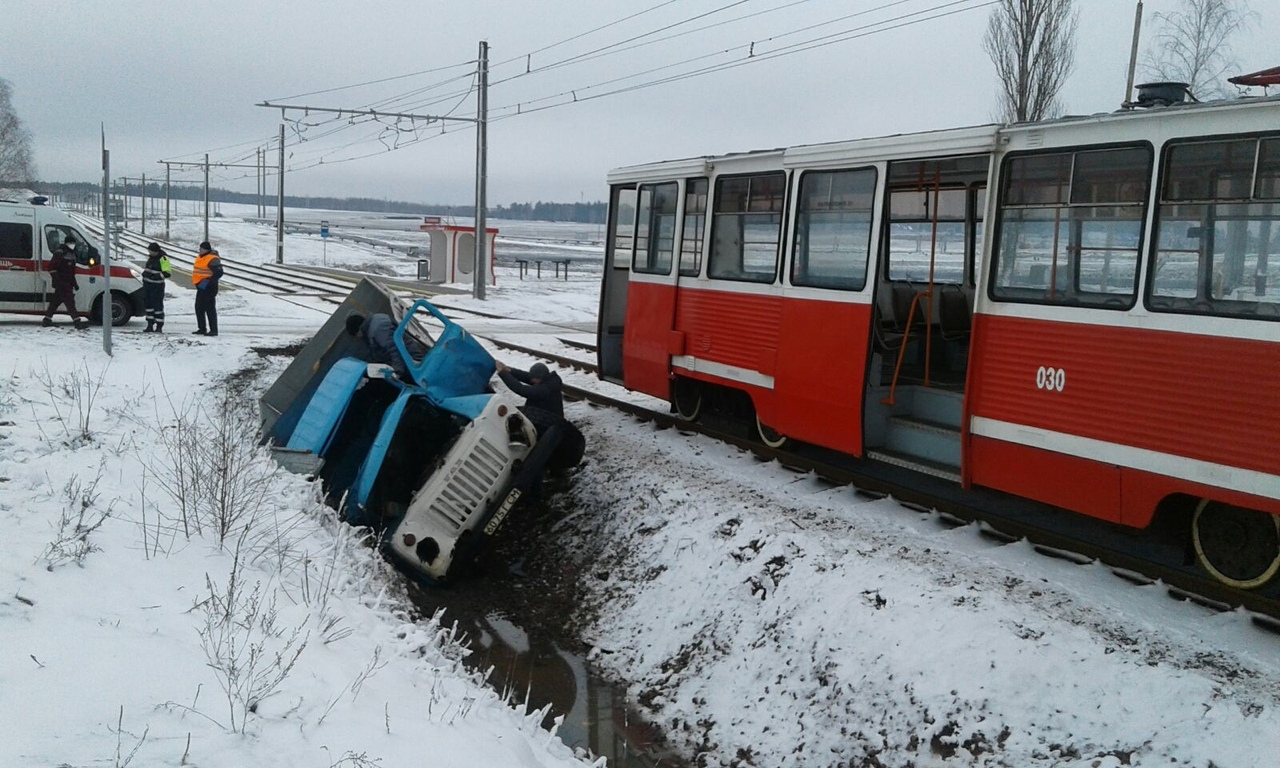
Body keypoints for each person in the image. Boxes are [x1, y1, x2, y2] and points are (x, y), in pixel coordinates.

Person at [344, 312, 426, 381]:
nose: (358, 338)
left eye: (356, 335)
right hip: (406, 362)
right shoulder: (373, 324)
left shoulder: (377, 329)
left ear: (358, 330)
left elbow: (395, 349)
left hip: (411, 361)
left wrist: (398, 373)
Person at [42, 235, 88, 330]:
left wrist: (74, 284)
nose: (73, 245)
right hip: (63, 283)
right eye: (71, 243)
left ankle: (47, 320)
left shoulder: (71, 253)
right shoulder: (60, 253)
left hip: (67, 283)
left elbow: (71, 272)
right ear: (67, 243)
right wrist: (57, 281)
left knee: (55, 302)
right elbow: (52, 268)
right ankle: (77, 322)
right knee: (70, 303)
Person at [191, 241, 223, 336]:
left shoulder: (212, 259)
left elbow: (219, 272)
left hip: (209, 287)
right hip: (201, 286)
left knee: (210, 308)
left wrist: (209, 281)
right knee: (199, 307)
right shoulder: (200, 257)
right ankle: (202, 328)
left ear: (206, 249)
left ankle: (213, 330)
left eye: (201, 249)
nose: (199, 250)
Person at [141, 242, 171, 332]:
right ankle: (150, 324)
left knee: (157, 306)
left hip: (157, 286)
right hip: (148, 286)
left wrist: (155, 277)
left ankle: (159, 326)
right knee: (149, 305)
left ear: (155, 251)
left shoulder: (163, 258)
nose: (149, 253)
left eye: (150, 251)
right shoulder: (151, 258)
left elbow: (167, 272)